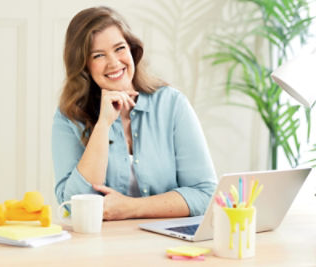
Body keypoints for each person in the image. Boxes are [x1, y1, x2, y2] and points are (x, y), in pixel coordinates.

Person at [52, 6, 217, 221]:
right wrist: (103, 125)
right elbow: (73, 204)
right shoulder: (69, 117)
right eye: (98, 55)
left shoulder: (172, 104)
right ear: (84, 67)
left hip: (168, 242)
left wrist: (132, 207)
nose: (114, 62)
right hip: (101, 246)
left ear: (132, 50)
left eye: (120, 48)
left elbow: (206, 194)